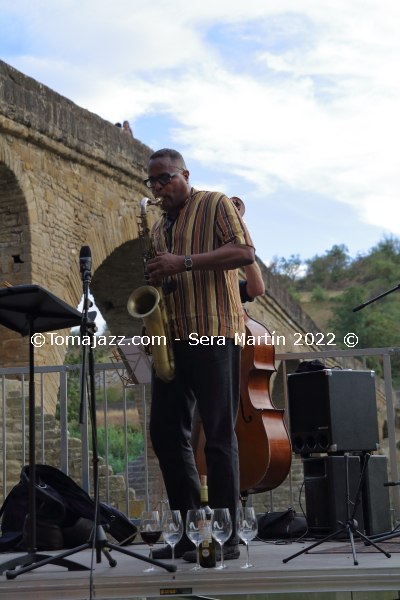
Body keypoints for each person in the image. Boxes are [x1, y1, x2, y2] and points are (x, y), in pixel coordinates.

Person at [144, 149, 255, 562]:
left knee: (219, 439)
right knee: (166, 435)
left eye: (165, 179)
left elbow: (244, 253)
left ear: (184, 175)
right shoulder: (157, 230)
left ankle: (226, 538)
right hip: (172, 340)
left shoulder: (214, 203)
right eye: (152, 182)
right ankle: (192, 534)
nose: (158, 188)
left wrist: (183, 262)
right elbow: (165, 284)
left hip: (213, 334)